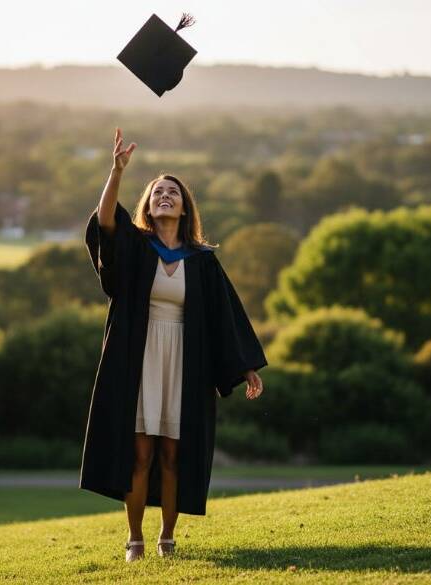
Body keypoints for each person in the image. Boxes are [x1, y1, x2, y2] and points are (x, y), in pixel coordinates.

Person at [80, 128, 267, 562]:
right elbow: (105, 221)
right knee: (140, 452)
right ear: (148, 204)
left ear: (184, 207)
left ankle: (167, 537)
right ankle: (134, 540)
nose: (165, 196)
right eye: (158, 192)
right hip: (140, 357)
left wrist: (247, 367)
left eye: (173, 192)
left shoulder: (201, 260)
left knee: (172, 454)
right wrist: (117, 170)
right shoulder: (136, 247)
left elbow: (225, 316)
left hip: (184, 361)